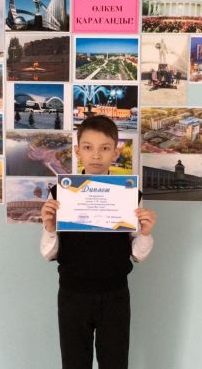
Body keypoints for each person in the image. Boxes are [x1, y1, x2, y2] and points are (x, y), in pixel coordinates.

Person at [40, 115, 156, 369]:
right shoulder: (59, 194)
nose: (96, 155)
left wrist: (146, 233)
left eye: (104, 148)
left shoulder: (129, 194)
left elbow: (138, 255)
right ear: (77, 151)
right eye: (88, 147)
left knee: (115, 363)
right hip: (72, 295)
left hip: (115, 296)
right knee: (74, 363)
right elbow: (48, 253)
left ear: (116, 152)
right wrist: (49, 228)